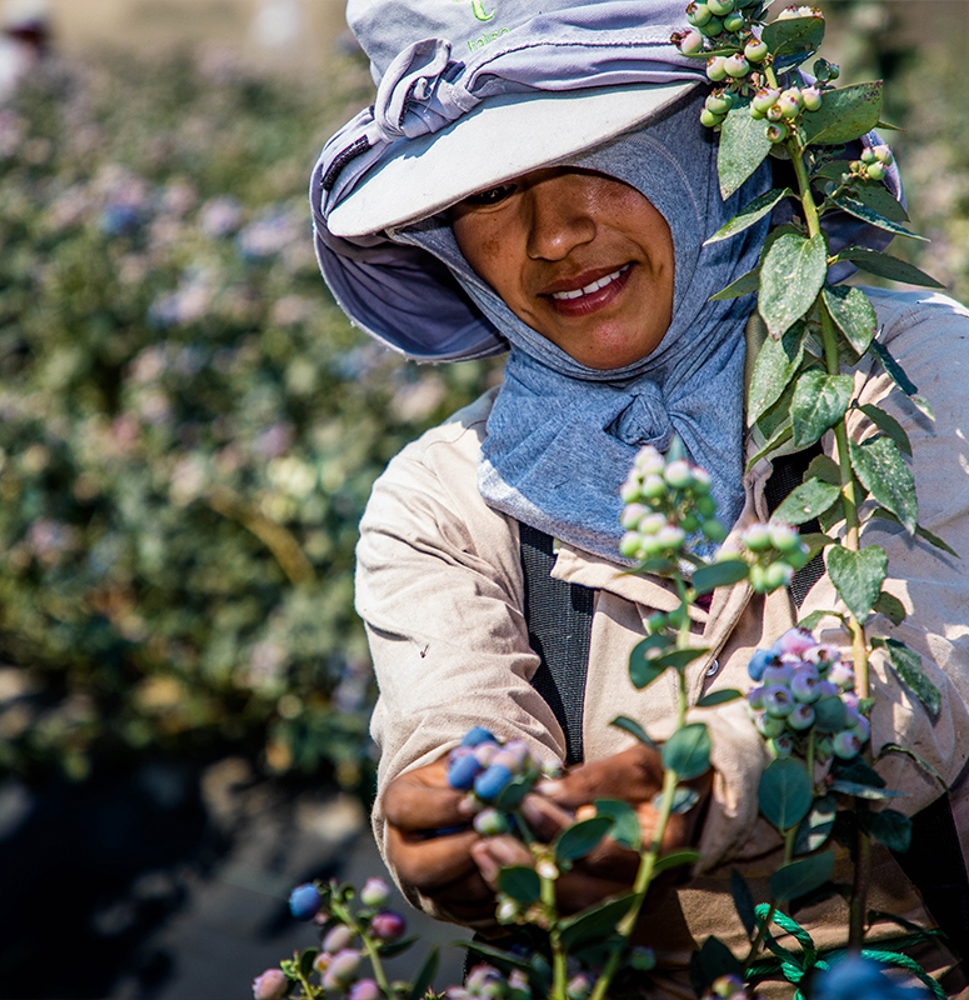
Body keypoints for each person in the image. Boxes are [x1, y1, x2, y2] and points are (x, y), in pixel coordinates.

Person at [311, 0, 969, 994]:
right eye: (487, 194)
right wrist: (450, 811)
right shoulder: (444, 496)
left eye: (598, 152)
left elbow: (923, 675)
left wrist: (703, 778)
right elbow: (453, 718)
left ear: (705, 146)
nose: (551, 235)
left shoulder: (895, 371)